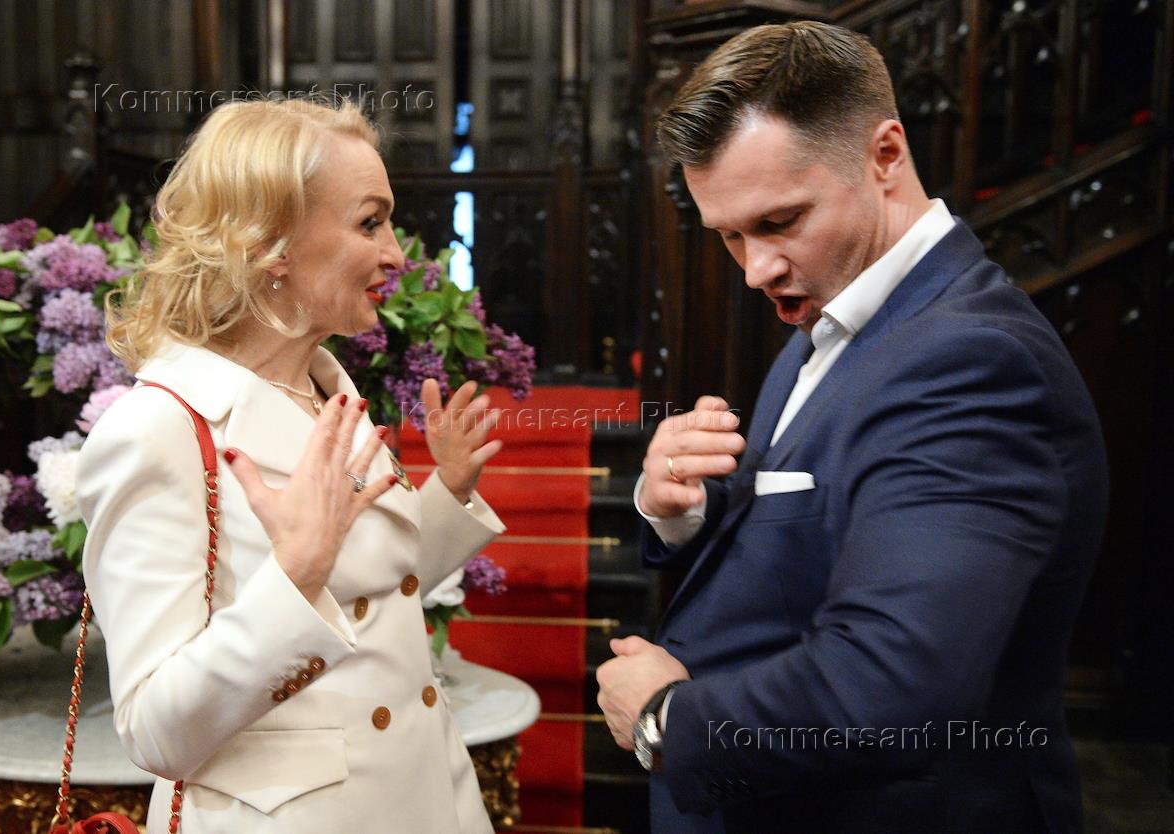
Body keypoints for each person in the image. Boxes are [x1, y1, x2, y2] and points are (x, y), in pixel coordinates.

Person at [595, 21, 1108, 834]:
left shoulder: (971, 359)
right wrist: (685, 510)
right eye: (729, 236)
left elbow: (894, 686)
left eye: (779, 221)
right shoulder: (840, 311)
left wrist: (668, 718)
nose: (755, 269)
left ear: (886, 155)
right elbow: (815, 536)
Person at [77, 97, 505, 833]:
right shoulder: (155, 431)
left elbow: (374, 597)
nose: (396, 253)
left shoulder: (324, 388)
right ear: (269, 242)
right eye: (369, 223)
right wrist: (294, 576)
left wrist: (448, 493)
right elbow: (153, 730)